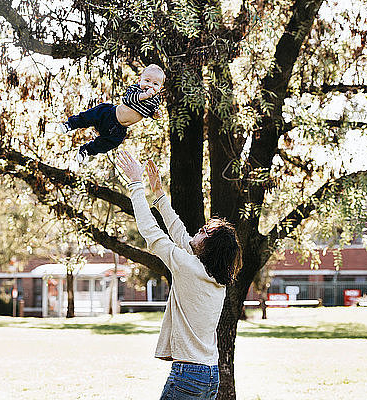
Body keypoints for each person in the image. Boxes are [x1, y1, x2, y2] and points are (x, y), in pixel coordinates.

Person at [115, 150, 241, 400]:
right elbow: (181, 236)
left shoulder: (189, 268)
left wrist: (135, 184)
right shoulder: (214, 276)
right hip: (210, 374)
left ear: (209, 247)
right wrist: (160, 195)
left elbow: (151, 231)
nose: (199, 230)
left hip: (188, 375)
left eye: (205, 231)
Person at [61, 64, 165, 163]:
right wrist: (144, 95)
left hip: (118, 129)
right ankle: (70, 124)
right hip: (110, 114)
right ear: (139, 80)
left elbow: (150, 112)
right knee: (89, 117)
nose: (150, 85)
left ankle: (87, 150)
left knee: (110, 143)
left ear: (160, 88)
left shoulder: (155, 100)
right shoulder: (136, 89)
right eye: (147, 81)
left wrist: (155, 115)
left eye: (155, 84)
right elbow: (128, 99)